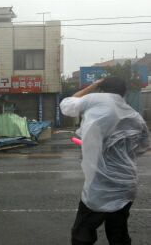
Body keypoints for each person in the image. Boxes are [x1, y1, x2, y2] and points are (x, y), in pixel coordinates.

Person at [60, 76, 150, 245]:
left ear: (102, 89)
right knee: (118, 233)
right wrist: (121, 156)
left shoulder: (96, 99)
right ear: (124, 92)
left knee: (83, 232)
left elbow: (67, 104)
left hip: (100, 184)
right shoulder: (134, 115)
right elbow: (143, 145)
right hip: (126, 183)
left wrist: (93, 85)